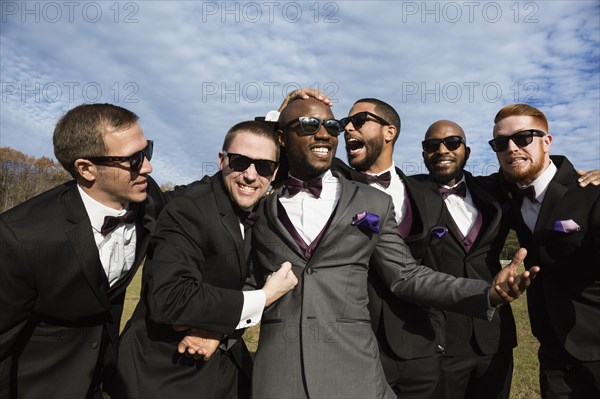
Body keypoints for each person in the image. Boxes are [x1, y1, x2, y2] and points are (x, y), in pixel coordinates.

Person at [249, 97, 538, 399]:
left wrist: (485, 293)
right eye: (313, 125)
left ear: (390, 132)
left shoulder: (408, 196)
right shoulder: (268, 200)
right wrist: (288, 106)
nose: (340, 131)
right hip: (316, 357)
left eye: (338, 124)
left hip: (417, 344)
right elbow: (254, 155)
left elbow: (407, 274)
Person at [105, 121, 298, 399]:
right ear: (222, 161)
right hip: (164, 376)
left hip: (228, 372)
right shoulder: (188, 209)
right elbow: (172, 298)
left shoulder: (260, 209)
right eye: (241, 162)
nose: (250, 175)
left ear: (275, 172)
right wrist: (264, 297)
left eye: (264, 167)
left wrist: (217, 331)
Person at [0, 103, 160, 398]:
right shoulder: (19, 238)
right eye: (133, 160)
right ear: (86, 169)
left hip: (103, 381)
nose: (148, 167)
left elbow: (191, 200)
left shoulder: (149, 199)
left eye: (146, 151)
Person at [490, 104, 600, 398]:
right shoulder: (506, 192)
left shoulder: (592, 193)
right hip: (552, 350)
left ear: (547, 141)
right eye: (501, 143)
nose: (512, 148)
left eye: (524, 138)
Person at [418, 120, 517, 399]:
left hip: (494, 337)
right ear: (423, 154)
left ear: (467, 151)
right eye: (431, 145)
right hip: (438, 340)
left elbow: (536, 172)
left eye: (452, 142)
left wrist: (579, 178)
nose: (442, 150)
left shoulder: (494, 190)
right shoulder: (409, 191)